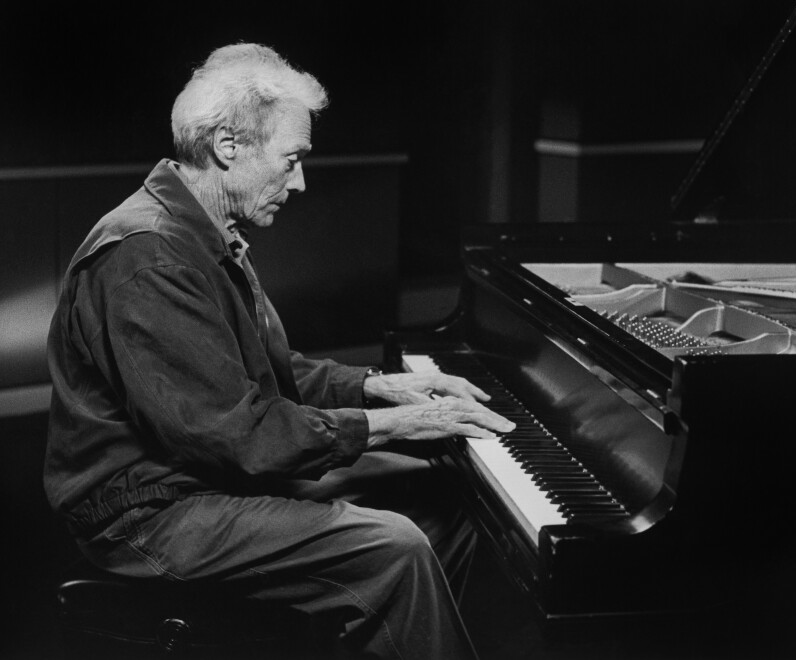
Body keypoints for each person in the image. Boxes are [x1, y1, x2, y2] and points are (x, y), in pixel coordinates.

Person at [44, 42, 514, 659]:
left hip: (195, 480)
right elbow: (238, 434)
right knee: (394, 547)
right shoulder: (149, 254)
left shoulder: (198, 230)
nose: (300, 181)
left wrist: (378, 387)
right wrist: (398, 423)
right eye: (291, 159)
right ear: (228, 147)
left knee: (442, 491)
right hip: (147, 512)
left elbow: (258, 375)